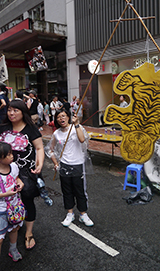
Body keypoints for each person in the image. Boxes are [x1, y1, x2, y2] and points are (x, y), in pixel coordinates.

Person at [0, 100, 45, 250]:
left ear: (23, 112)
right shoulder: (3, 127)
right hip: (4, 172)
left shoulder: (31, 128)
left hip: (26, 172)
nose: (11, 113)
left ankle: (29, 233)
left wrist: (39, 164)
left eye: (15, 110)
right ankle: (9, 226)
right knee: (6, 200)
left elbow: (39, 148)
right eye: (9, 110)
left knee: (26, 199)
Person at [49, 108, 94, 227]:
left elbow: (82, 139)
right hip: (64, 164)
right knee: (67, 191)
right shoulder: (56, 133)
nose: (61, 119)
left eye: (63, 116)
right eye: (58, 117)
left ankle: (83, 214)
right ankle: (70, 213)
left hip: (78, 164)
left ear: (68, 117)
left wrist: (77, 124)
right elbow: (50, 149)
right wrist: (55, 163)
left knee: (80, 191)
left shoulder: (76, 128)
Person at [0, 142, 24, 262]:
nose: (11, 156)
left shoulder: (14, 166)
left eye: (11, 153)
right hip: (1, 210)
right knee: (0, 237)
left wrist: (20, 182)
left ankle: (13, 249)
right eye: (8, 155)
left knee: (14, 229)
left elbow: (16, 177)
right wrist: (6, 194)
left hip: (14, 206)